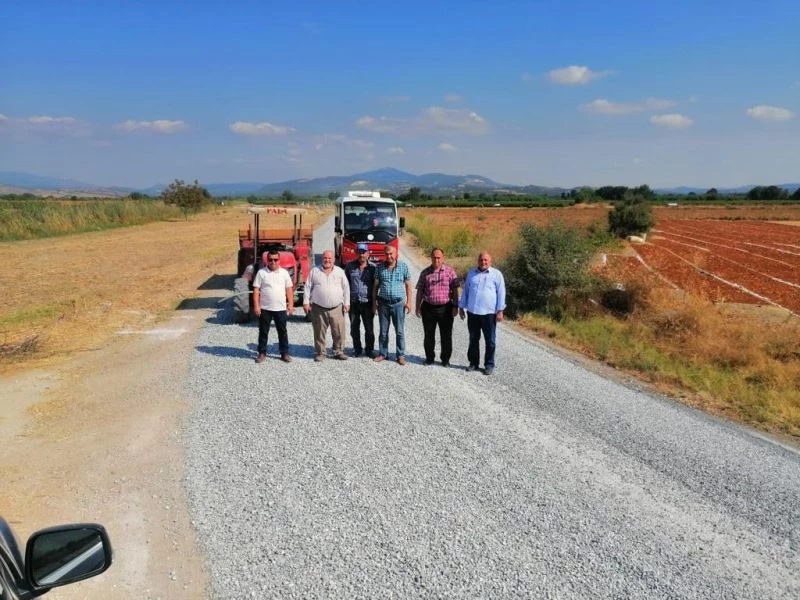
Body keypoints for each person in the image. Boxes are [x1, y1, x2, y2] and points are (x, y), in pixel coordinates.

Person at [458, 251, 506, 375]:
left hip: (489, 314)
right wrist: (461, 307)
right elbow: (466, 292)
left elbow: (501, 293)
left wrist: (500, 310)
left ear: (490, 261)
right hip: (473, 312)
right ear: (478, 261)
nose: (483, 262)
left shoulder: (496, 275)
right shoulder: (471, 274)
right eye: (481, 259)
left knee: (490, 340)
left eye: (486, 260)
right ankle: (473, 363)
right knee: (473, 339)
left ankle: (489, 365)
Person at [415, 247, 461, 367]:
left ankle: (445, 360)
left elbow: (455, 291)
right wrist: (417, 306)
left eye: (439, 257)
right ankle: (429, 358)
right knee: (429, 335)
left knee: (446, 336)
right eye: (434, 257)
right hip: (428, 308)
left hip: (445, 308)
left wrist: (456, 306)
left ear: (443, 258)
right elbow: (420, 290)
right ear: (431, 258)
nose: (436, 260)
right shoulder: (425, 273)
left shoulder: (450, 272)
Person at [303, 250, 350, 361]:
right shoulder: (315, 271)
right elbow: (307, 287)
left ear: (333, 259)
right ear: (322, 259)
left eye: (330, 258)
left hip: (336, 307)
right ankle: (321, 352)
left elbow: (346, 287)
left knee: (338, 331)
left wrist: (347, 303)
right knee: (319, 331)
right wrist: (305, 302)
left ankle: (338, 351)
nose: (327, 260)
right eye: (325, 258)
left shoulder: (339, 271)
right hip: (318, 307)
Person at [372, 244, 412, 365]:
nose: (389, 256)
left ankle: (400, 355)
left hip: (398, 304)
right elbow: (375, 287)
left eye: (391, 253)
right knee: (383, 332)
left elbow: (408, 285)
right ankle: (383, 353)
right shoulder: (379, 268)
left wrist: (409, 302)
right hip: (383, 304)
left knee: (399, 331)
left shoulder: (403, 266)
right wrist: (374, 303)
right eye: (387, 254)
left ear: (396, 254)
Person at [253, 250, 294, 363]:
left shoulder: (284, 273)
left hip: (280, 308)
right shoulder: (261, 273)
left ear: (279, 260)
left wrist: (290, 304)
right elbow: (256, 290)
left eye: (275, 259)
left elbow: (289, 289)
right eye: (270, 260)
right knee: (263, 331)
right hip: (265, 308)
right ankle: (262, 353)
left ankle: (284, 353)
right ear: (267, 260)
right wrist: (256, 306)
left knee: (282, 331)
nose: (273, 262)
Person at [344, 242, 376, 357]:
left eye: (363, 252)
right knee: (354, 328)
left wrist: (375, 303)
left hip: (367, 303)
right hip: (353, 303)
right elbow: (345, 284)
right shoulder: (349, 266)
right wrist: (345, 301)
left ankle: (369, 350)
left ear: (368, 254)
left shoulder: (373, 268)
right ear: (355, 253)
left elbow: (376, 286)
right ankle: (357, 349)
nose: (361, 254)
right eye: (359, 252)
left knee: (369, 329)